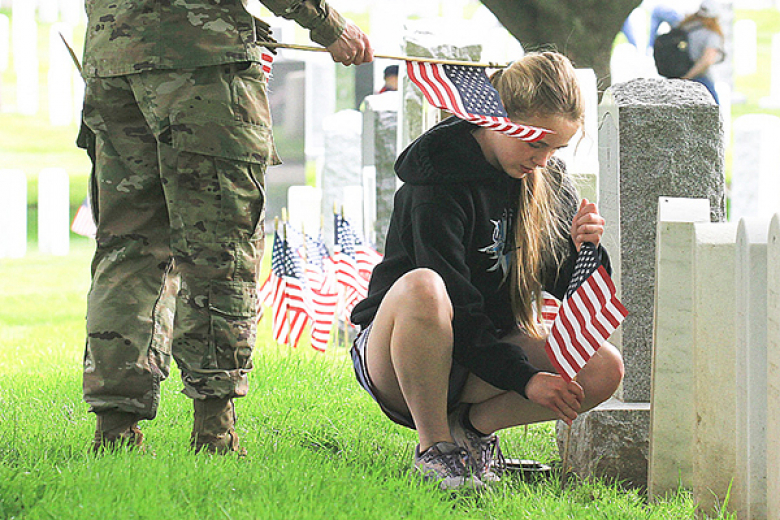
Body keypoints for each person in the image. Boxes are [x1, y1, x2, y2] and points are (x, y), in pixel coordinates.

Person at [81, 0, 373, 454]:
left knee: (128, 250)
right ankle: (214, 432)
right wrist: (328, 25)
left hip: (112, 59)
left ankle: (114, 430)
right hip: (200, 63)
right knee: (219, 251)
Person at [349, 51, 624, 490]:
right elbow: (458, 304)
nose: (544, 159)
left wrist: (585, 251)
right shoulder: (437, 183)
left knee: (603, 367)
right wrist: (525, 379)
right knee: (425, 287)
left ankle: (471, 433)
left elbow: (566, 290)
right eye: (536, 143)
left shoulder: (544, 179)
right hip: (401, 358)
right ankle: (436, 449)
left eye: (555, 148)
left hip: (482, 353)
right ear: (497, 118)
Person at [677, 0, 725, 103]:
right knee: (714, 109)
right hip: (700, 78)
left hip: (676, 74)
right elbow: (706, 61)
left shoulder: (685, 26)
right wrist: (687, 77)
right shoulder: (711, 34)